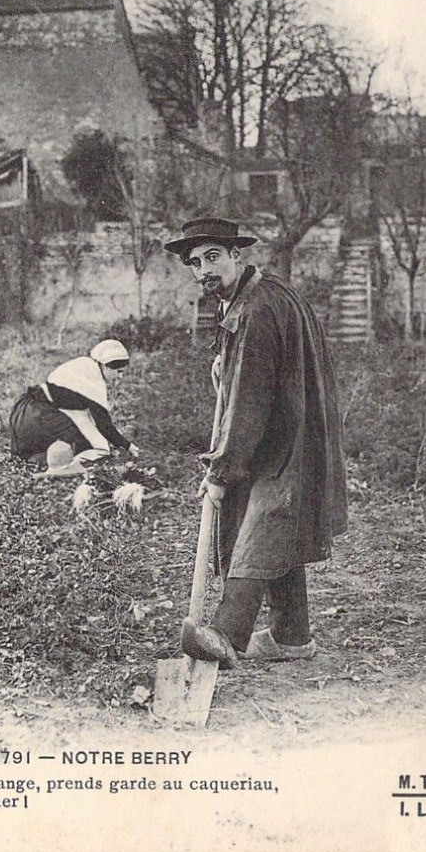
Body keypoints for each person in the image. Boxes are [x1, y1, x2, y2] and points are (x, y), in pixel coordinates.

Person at [164, 217, 347, 665]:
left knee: (259, 529)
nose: (204, 269)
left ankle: (225, 634)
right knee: (278, 527)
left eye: (212, 257)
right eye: (194, 262)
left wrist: (220, 471)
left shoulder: (256, 308)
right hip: (294, 430)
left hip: (284, 439)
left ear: (236, 256)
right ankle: (290, 636)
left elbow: (248, 401)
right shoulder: (264, 293)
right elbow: (255, 375)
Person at [9, 339, 139, 474]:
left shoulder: (84, 363)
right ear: (106, 366)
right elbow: (104, 425)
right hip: (37, 417)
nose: (121, 376)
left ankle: (34, 453)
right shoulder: (94, 381)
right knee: (87, 446)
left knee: (84, 435)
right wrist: (127, 446)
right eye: (119, 371)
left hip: (23, 411)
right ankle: (41, 458)